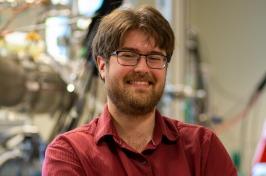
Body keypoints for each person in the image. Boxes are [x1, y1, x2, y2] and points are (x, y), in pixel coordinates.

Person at [42, 6, 237, 176]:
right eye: (128, 55)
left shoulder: (203, 148)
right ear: (102, 65)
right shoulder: (69, 153)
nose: (143, 69)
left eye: (154, 57)